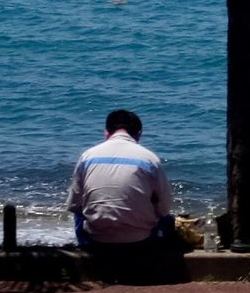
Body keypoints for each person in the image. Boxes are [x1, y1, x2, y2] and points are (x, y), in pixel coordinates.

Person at [69, 108, 178, 272]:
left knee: (79, 213)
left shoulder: (88, 156)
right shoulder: (149, 159)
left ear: (107, 132)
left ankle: (87, 251)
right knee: (167, 219)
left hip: (96, 240)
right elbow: (165, 207)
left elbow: (74, 204)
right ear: (138, 134)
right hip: (140, 240)